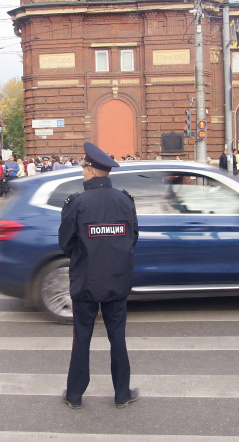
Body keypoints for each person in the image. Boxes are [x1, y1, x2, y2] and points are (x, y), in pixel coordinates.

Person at [58, 142, 140, 410]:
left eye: (84, 168)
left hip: (86, 283)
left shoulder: (77, 203)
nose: (82, 172)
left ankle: (74, 394)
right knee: (118, 337)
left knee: (82, 337)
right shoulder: (125, 200)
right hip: (117, 281)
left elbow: (65, 244)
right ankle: (121, 394)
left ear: (93, 171)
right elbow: (133, 238)